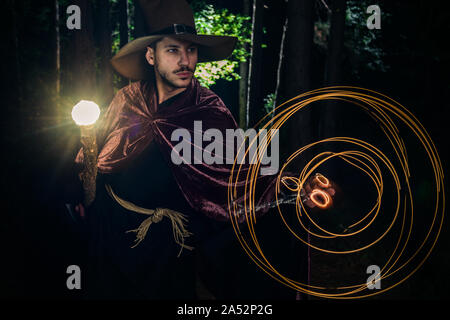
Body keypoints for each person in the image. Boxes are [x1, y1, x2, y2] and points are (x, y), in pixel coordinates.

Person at [70, 0, 336, 299]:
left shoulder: (208, 109)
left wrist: (291, 188)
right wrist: (83, 196)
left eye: (191, 50)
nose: (185, 61)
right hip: (112, 234)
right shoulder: (127, 100)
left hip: (168, 248)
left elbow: (238, 173)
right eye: (173, 50)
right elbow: (94, 158)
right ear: (151, 55)